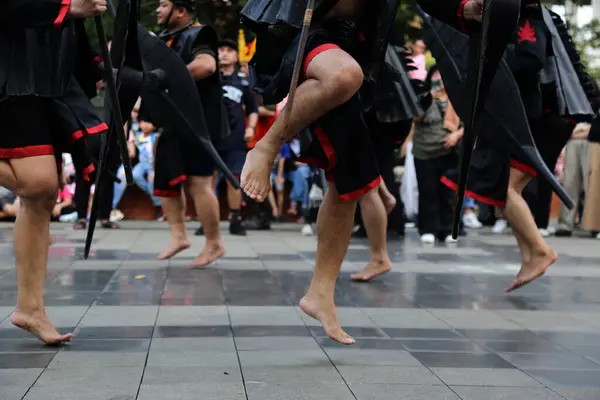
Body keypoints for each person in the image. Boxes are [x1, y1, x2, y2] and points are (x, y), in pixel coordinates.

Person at [239, 0, 483, 344]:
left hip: (356, 49)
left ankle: (320, 293)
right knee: (344, 75)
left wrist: (467, 9)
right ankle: (266, 147)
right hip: (300, 31)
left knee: (349, 179)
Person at [433, 1, 596, 291]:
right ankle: (530, 255)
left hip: (550, 114)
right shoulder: (532, 13)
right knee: (507, 188)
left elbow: (529, 60)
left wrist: (493, 67)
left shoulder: (527, 14)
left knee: (504, 189)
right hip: (548, 113)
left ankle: (541, 251)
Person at [0, 0, 108, 344]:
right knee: (38, 182)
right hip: (8, 78)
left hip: (43, 83)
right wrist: (66, 6)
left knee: (43, 195)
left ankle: (30, 308)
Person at [153, 0, 226, 266]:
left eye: (163, 5)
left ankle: (213, 243)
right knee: (164, 180)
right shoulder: (164, 40)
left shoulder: (200, 33)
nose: (158, 11)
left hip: (199, 123)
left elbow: (206, 65)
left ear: (181, 11)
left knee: (199, 184)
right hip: (174, 122)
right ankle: (179, 236)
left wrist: (169, 78)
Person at [216, 38, 259, 235]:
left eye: (229, 50)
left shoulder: (242, 80)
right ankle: (208, 219)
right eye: (221, 49)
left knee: (233, 177)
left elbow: (253, 109)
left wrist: (251, 127)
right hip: (212, 137)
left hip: (235, 136)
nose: (224, 53)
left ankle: (235, 218)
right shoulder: (209, 78)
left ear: (236, 56)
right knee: (207, 178)